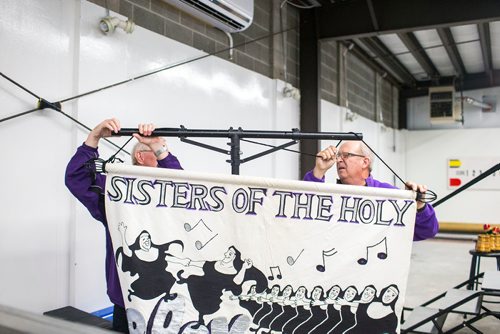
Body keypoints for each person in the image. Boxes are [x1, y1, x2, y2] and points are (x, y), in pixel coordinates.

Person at [65, 118, 183, 333]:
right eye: (155, 155)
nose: (160, 158)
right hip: (128, 299)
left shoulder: (168, 196)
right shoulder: (115, 194)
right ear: (140, 157)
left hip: (168, 297)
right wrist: (94, 137)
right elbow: (77, 178)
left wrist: (159, 148)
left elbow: (184, 189)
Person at [303, 141, 438, 241]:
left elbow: (427, 230)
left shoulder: (387, 194)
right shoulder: (330, 195)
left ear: (365, 162)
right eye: (338, 155)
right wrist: (319, 171)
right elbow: (304, 215)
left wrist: (419, 206)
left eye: (346, 155)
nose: (338, 160)